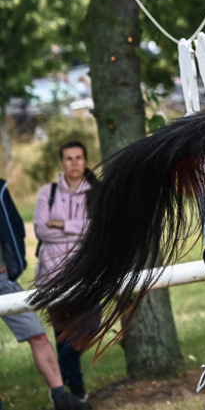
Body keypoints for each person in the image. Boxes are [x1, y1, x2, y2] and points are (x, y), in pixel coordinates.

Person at [1, 178, 90, 410]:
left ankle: (61, 396)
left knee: (38, 334)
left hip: (2, 280)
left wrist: (11, 262)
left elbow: (16, 228)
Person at [33, 142, 94, 404]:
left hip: (85, 274)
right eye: (68, 158)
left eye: (79, 158)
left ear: (86, 161)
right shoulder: (48, 192)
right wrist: (79, 228)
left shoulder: (96, 193)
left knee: (90, 327)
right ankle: (75, 391)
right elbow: (40, 230)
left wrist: (62, 224)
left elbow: (96, 230)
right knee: (62, 334)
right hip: (53, 274)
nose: (74, 163)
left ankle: (60, 375)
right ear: (61, 163)